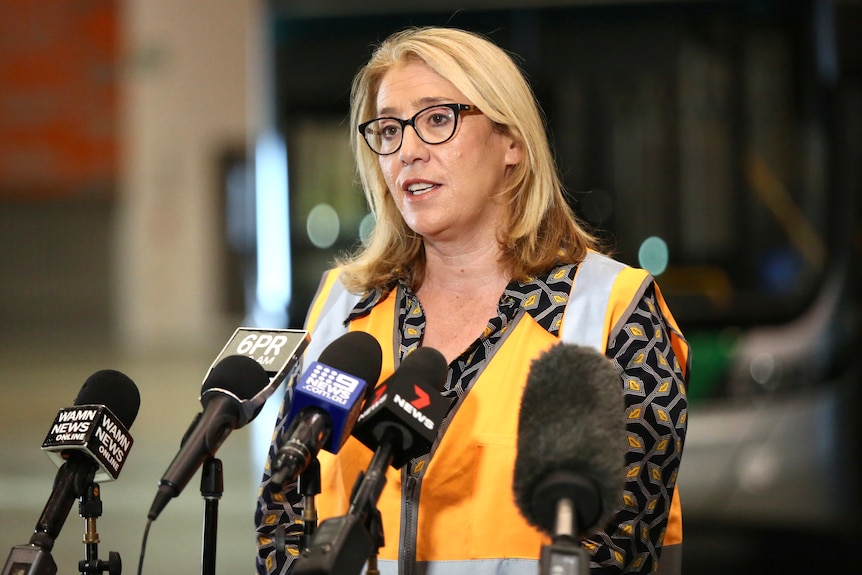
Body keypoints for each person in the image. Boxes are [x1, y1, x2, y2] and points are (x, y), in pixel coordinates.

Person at [255, 26, 689, 575]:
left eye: (438, 119)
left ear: (512, 142)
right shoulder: (342, 307)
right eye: (388, 130)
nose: (407, 151)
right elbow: (283, 508)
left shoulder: (611, 311)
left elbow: (620, 546)